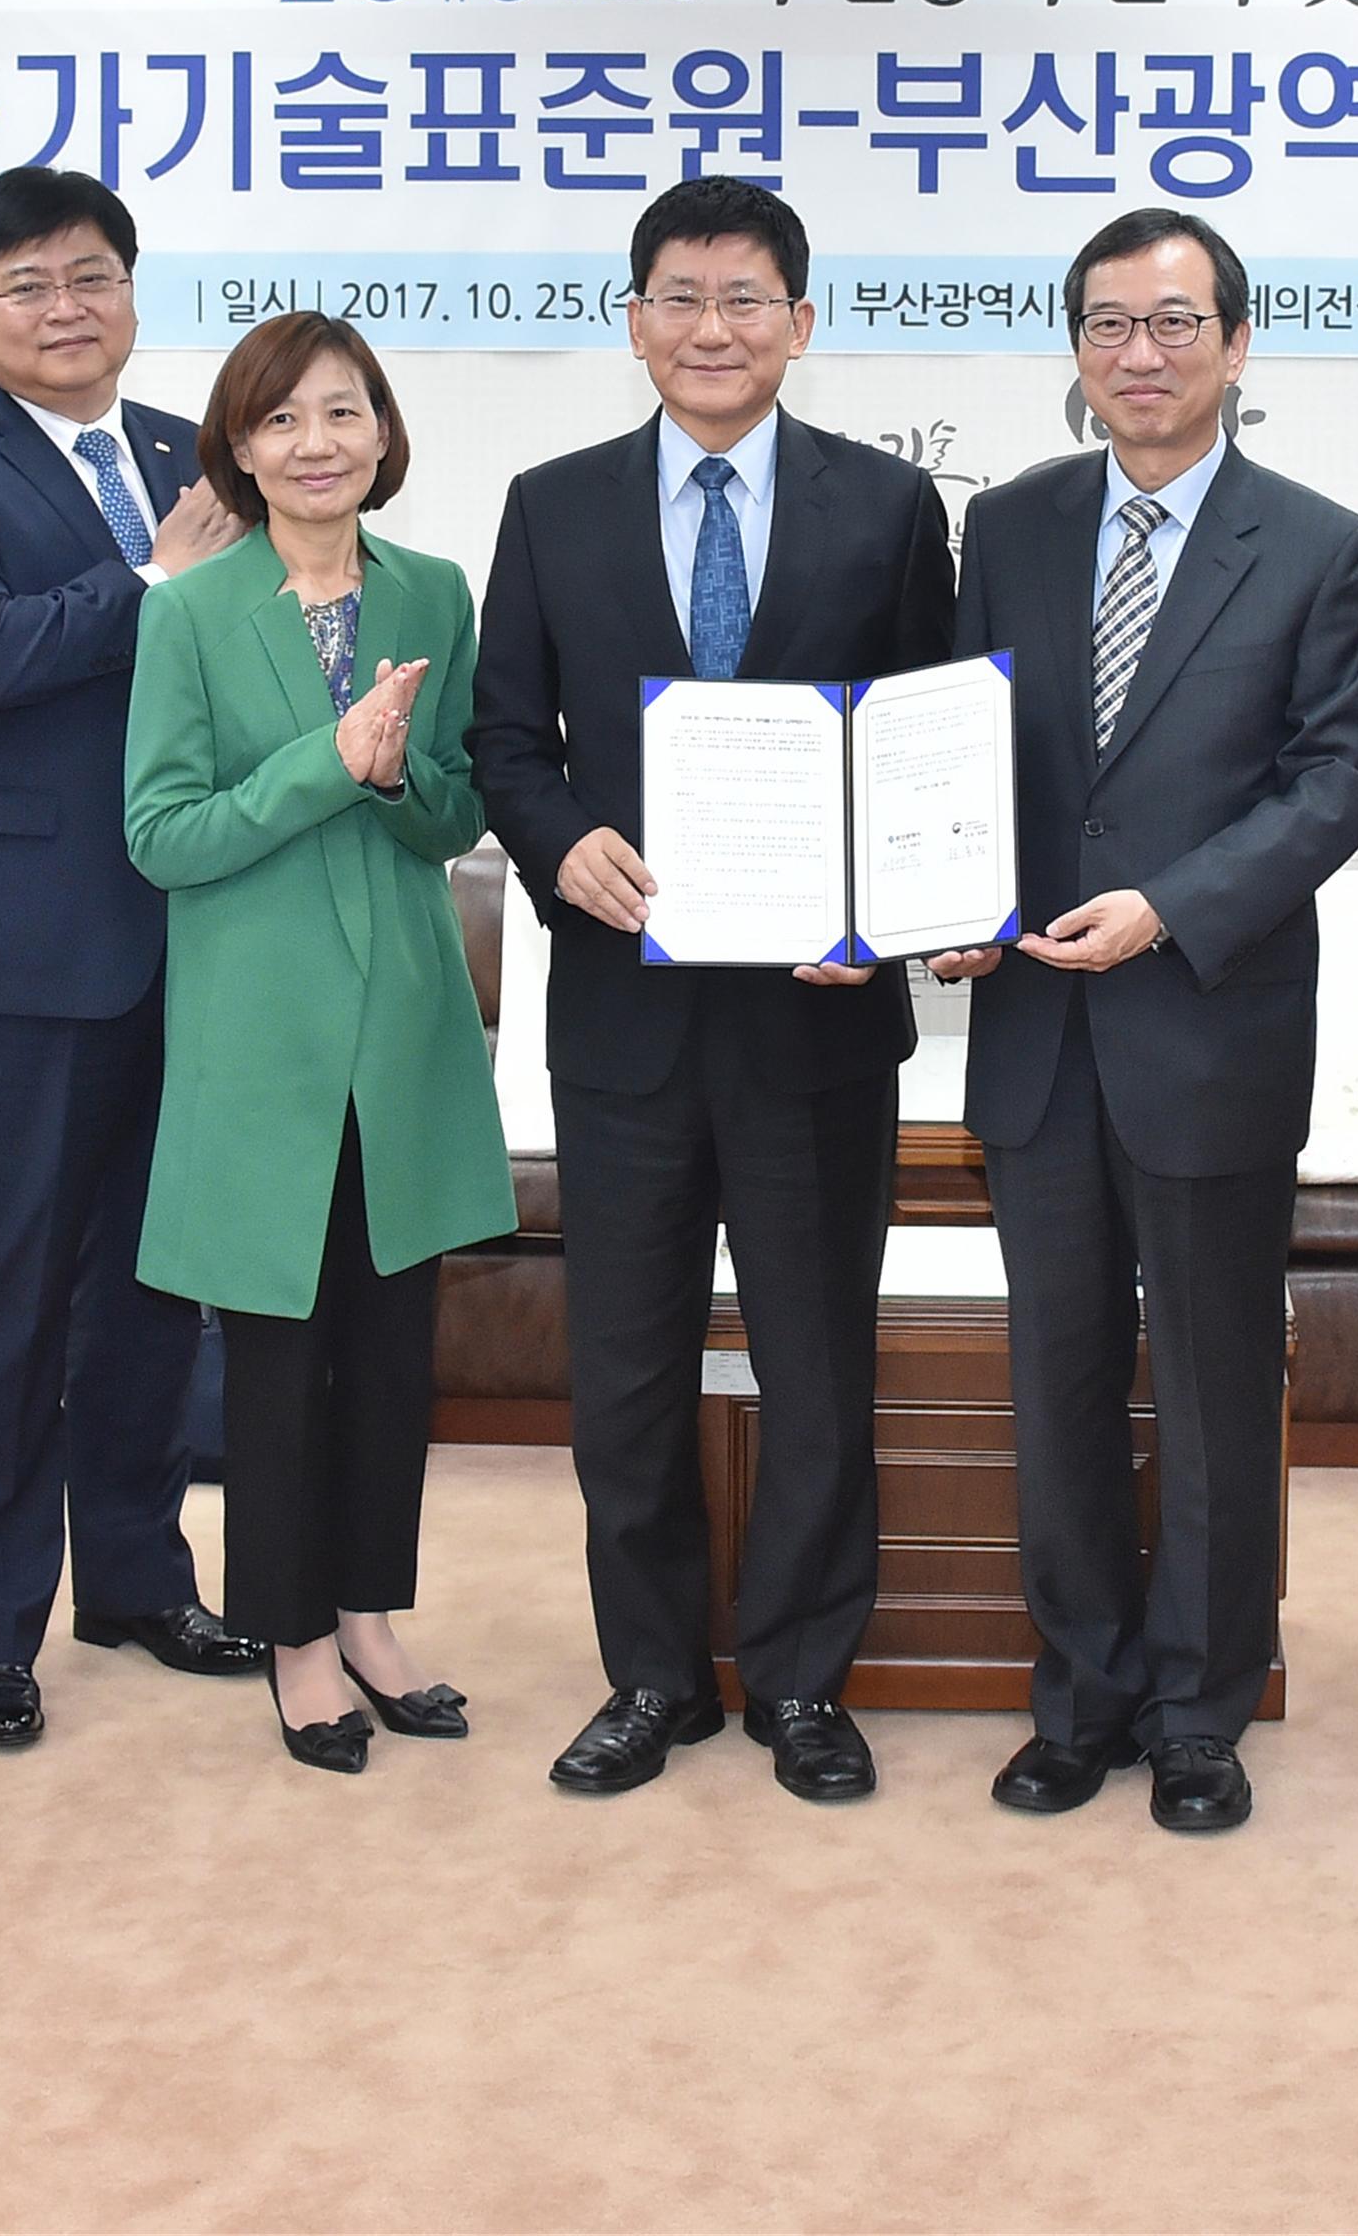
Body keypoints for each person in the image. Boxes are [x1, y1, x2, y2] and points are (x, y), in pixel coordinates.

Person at [466, 177, 956, 1804]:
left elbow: (927, 745)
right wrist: (564, 848)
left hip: (819, 1023)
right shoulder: (553, 505)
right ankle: (654, 1676)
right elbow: (504, 742)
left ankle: (805, 1680)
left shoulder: (889, 508)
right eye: (679, 297)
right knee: (625, 1369)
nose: (712, 328)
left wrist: (886, 910)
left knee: (818, 1363)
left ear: (800, 324)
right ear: (634, 322)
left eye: (746, 298)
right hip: (626, 1020)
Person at [934, 206, 1358, 1836]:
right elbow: (962, 745)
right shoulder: (1009, 525)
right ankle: (1080, 1700)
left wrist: (1174, 905)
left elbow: (1343, 775)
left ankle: (1202, 1713)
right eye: (1110, 325)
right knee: (1056, 1382)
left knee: (1212, 1393)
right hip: (1037, 1039)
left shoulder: (1324, 545)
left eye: (1176, 323)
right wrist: (944, 896)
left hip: (1209, 1023)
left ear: (1236, 343)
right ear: (1076, 348)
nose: (1141, 354)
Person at [0, 167, 261, 1752]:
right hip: (17, 953)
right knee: (1, 1301)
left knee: (156, 1291)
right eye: (26, 283)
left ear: (133, 291)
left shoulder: (191, 454)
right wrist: (159, 581)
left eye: (92, 274)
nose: (65, 306)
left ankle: (140, 1580)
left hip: (193, 935)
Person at [130, 315, 514, 1775]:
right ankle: (294, 1642)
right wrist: (326, 764)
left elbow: (455, 808)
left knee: (392, 1351)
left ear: (383, 433)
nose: (316, 444)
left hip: (404, 1029)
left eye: (344, 413)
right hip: (260, 1038)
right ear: (239, 446)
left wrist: (402, 776)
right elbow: (163, 836)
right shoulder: (188, 611)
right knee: (282, 1362)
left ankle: (370, 1616)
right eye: (282, 420)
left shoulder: (433, 591)